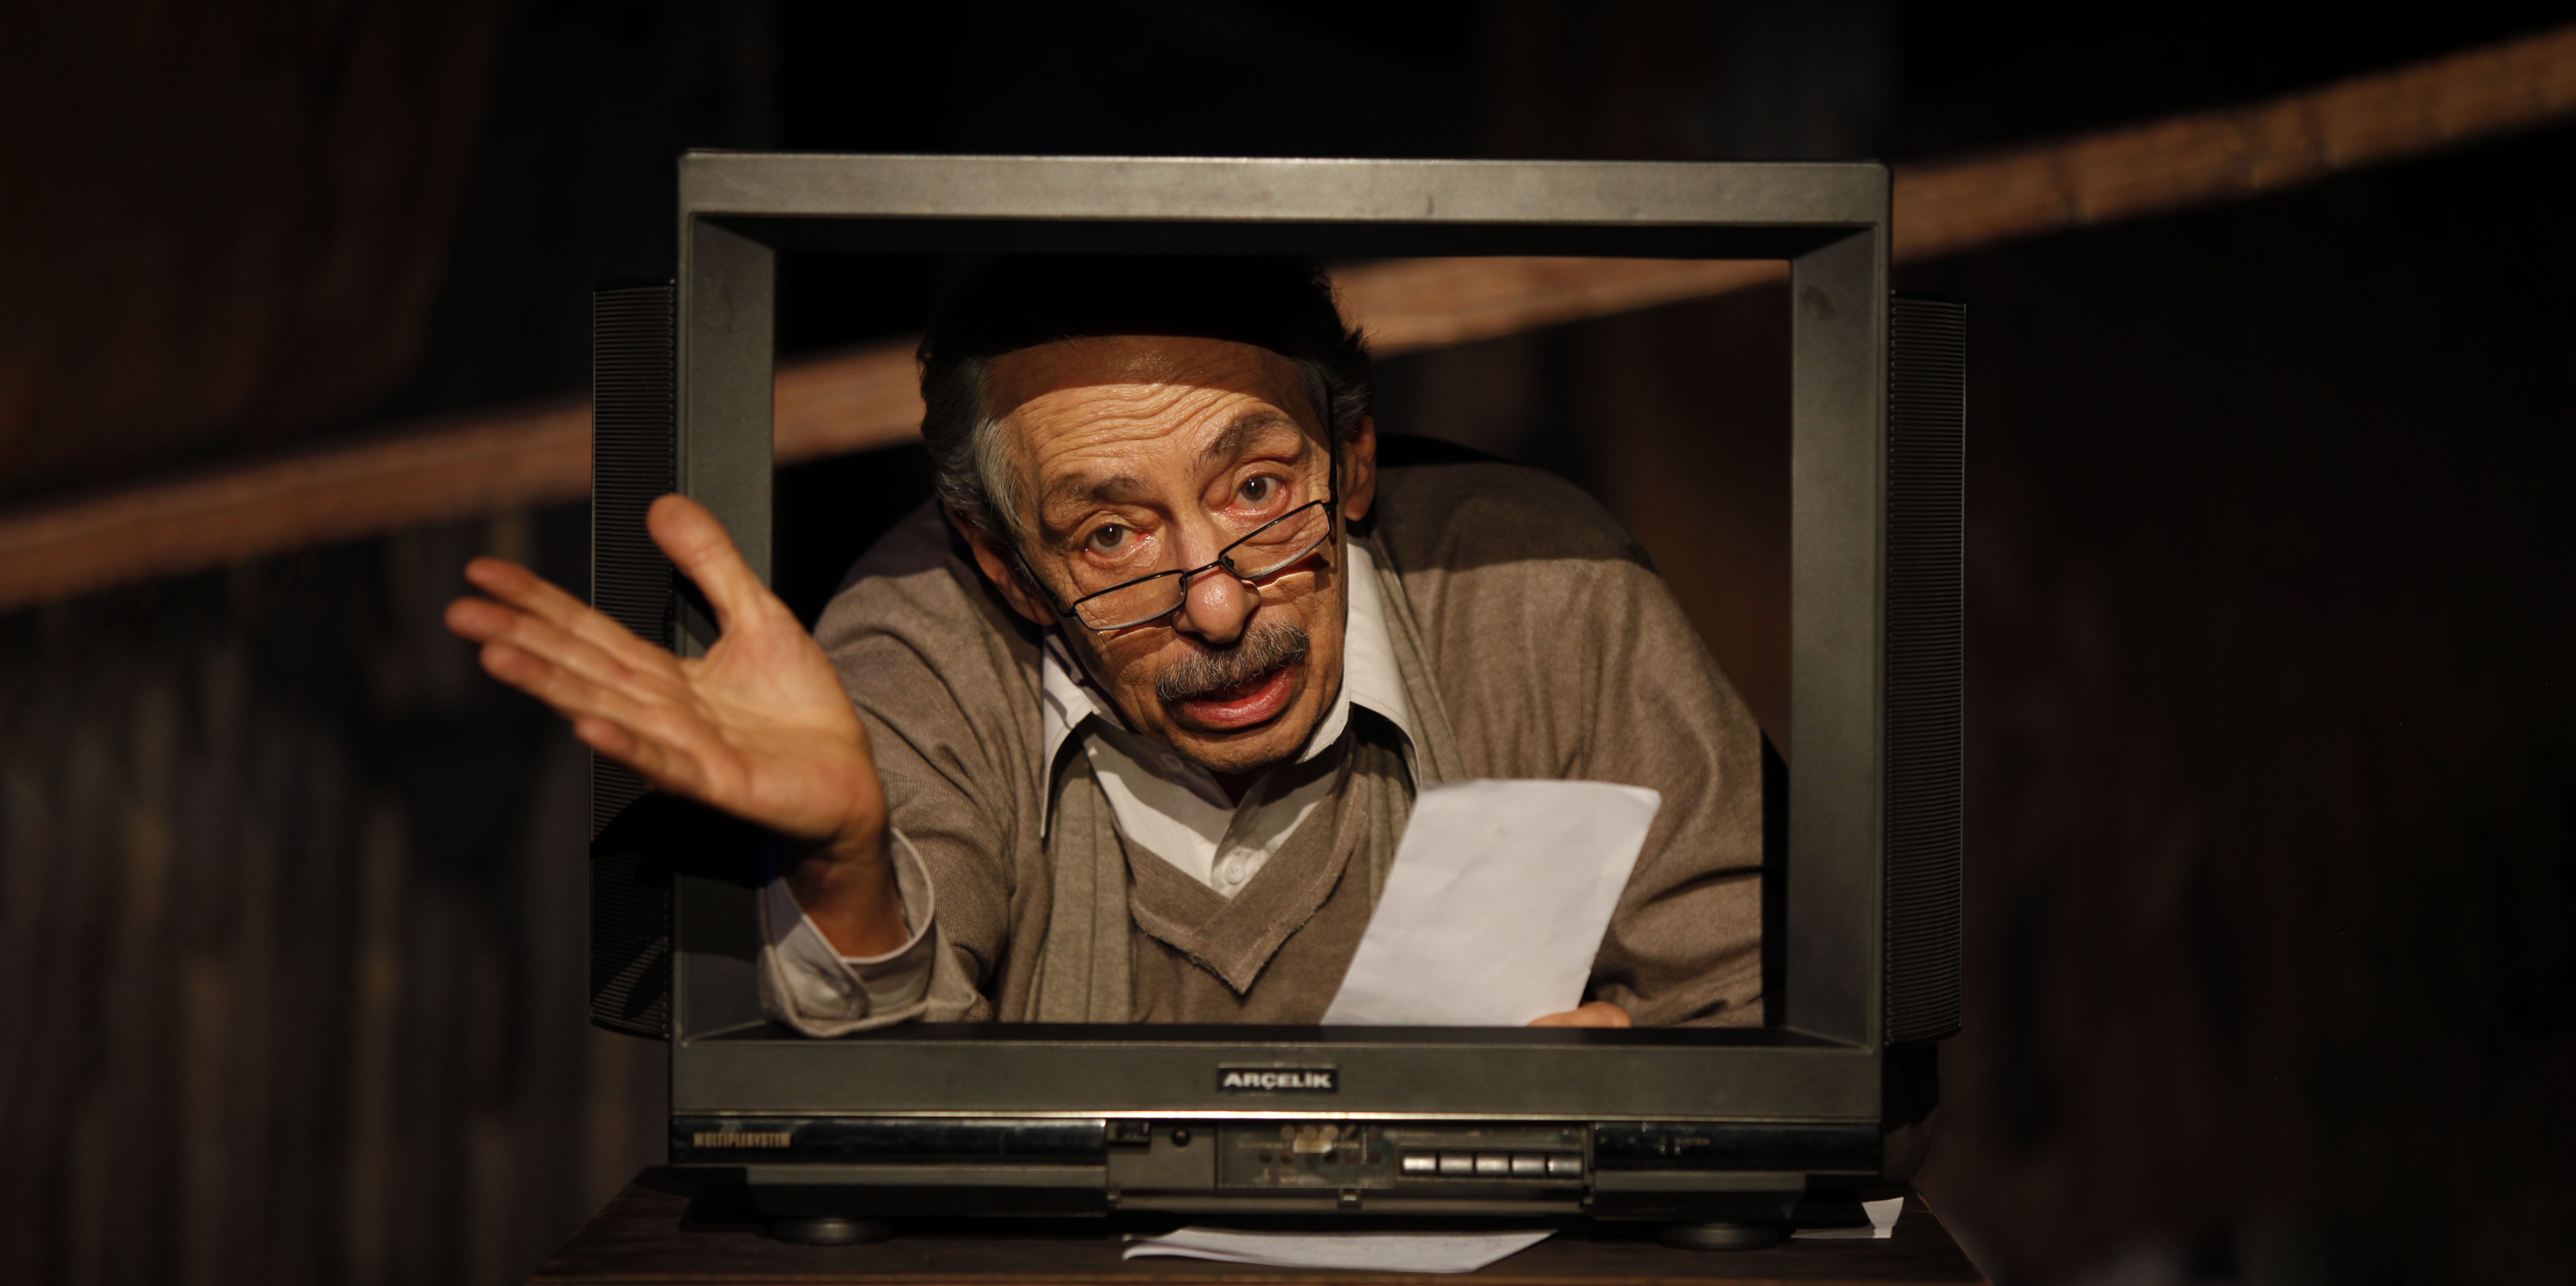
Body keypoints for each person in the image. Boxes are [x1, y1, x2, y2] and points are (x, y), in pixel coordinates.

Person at [446, 256, 1766, 1034]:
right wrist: (847, 867)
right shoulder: (918, 634)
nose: (1217, 609)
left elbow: (1772, 1022)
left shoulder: (1545, 592)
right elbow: (872, 1126)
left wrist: (1650, 1089)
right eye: (1112, 536)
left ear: (1353, 460)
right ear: (1004, 565)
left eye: (1258, 491)